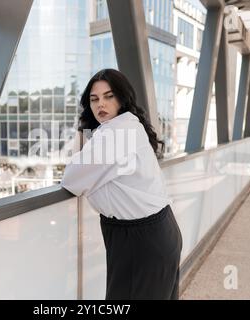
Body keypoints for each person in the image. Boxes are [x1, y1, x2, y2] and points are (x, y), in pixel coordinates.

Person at [60, 68, 183, 300]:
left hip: (140, 242)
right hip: (154, 233)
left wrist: (82, 142)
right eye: (94, 99)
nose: (100, 105)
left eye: (109, 96)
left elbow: (72, 179)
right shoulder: (127, 126)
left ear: (122, 98)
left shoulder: (117, 133)